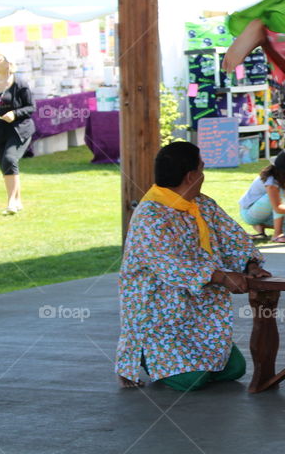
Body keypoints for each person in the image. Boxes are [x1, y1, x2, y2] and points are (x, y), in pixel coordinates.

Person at [116, 141, 271, 391]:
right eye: (201, 167)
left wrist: (250, 264)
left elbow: (232, 236)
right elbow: (171, 265)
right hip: (161, 313)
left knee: (235, 369)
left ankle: (180, 363)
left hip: (200, 310)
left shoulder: (203, 204)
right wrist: (221, 277)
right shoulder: (150, 215)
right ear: (191, 176)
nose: (203, 173)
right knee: (192, 381)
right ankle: (145, 352)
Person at [0, 52, 35, 214]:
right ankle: (17, 201)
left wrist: (14, 114)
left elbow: (31, 107)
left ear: (8, 62)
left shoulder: (20, 83)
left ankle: (11, 202)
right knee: (5, 164)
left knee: (10, 158)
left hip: (19, 129)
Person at [239, 147, 285, 243]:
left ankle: (261, 225)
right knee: (280, 198)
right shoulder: (271, 182)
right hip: (249, 213)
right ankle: (277, 235)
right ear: (282, 171)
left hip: (268, 212)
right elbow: (278, 208)